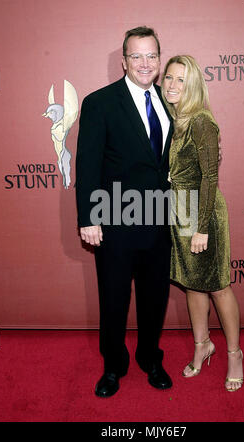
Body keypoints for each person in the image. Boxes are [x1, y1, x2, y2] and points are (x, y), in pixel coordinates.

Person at [75, 27, 174, 398]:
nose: (144, 63)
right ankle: (113, 366)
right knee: (114, 298)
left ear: (160, 60)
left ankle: (151, 358)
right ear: (124, 61)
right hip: (114, 219)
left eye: (151, 56)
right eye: (137, 56)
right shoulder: (99, 102)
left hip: (159, 221)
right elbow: (87, 165)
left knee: (154, 298)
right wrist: (88, 217)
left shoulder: (171, 101)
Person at [161, 55, 244, 392]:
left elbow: (210, 177)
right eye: (169, 78)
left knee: (218, 285)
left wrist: (203, 227)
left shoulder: (201, 122)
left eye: (181, 79)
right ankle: (202, 346)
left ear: (193, 85)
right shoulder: (173, 118)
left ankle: (235, 354)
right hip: (180, 210)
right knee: (192, 283)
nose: (172, 85)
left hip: (202, 213)